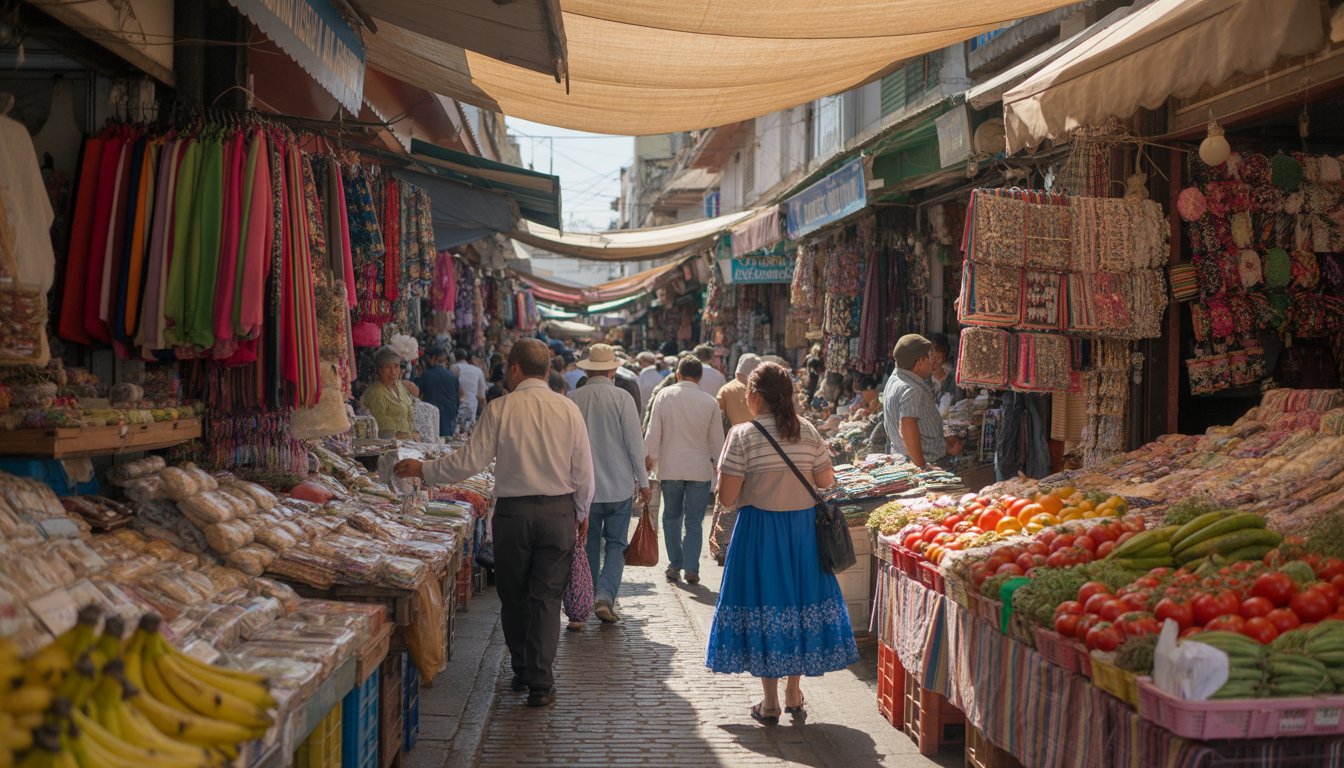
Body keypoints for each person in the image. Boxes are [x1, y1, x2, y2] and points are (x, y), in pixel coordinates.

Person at [393, 339, 595, 708]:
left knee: (514, 597)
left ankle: (521, 670)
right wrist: (581, 514)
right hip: (557, 515)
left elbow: (469, 461)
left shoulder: (501, 409)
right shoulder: (568, 409)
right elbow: (583, 472)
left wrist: (424, 470)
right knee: (546, 600)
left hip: (514, 517)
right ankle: (540, 682)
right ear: (547, 370)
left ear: (515, 369)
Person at [706, 362, 860, 724]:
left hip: (760, 532)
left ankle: (770, 701)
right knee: (799, 606)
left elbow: (728, 497)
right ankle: (793, 692)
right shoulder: (806, 430)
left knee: (765, 607)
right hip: (803, 533)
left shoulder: (743, 435)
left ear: (756, 396)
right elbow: (825, 480)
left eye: (747, 392)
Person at [569, 344, 651, 623]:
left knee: (587, 543)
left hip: (584, 489)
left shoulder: (573, 398)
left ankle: (587, 598)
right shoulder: (623, 398)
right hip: (618, 486)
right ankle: (604, 595)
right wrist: (644, 482)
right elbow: (634, 444)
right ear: (613, 369)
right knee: (616, 545)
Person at [645, 356, 725, 584]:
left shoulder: (664, 395)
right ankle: (691, 567)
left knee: (670, 517)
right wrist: (721, 470)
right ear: (699, 378)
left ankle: (675, 564)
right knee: (693, 521)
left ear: (678, 374)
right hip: (699, 469)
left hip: (670, 467)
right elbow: (717, 442)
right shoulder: (709, 402)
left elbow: (653, 432)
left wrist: (650, 459)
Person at [708, 353, 762, 563]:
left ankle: (721, 543)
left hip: (731, 448)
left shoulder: (726, 390)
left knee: (727, 501)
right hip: (759, 449)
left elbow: (716, 420)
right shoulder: (760, 391)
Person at [882, 334, 963, 469]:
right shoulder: (911, 389)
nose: (933, 363)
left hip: (905, 461)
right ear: (920, 362)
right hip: (923, 464)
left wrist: (941, 441)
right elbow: (907, 425)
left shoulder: (894, 380)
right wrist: (922, 466)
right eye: (930, 358)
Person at [362, 346, 415, 438]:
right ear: (379, 369)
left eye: (396, 366)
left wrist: (413, 434)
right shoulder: (376, 392)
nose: (393, 372)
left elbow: (409, 417)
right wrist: (406, 437)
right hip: (389, 448)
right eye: (387, 367)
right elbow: (383, 431)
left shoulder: (400, 386)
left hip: (407, 444)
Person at [415, 347, 461, 438]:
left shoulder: (426, 375)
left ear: (433, 358)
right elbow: (457, 398)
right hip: (449, 414)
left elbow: (415, 393)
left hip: (431, 414)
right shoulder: (453, 377)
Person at [715, 353, 761, 428]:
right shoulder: (768, 389)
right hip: (764, 435)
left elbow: (718, 415)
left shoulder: (727, 389)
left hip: (737, 435)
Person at [453, 349, 487, 430]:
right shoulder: (478, 371)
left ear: (454, 357)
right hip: (471, 409)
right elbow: (481, 398)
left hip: (454, 408)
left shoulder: (452, 368)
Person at [928, 332, 962, 407]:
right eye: (931, 357)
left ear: (945, 357)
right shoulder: (923, 379)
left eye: (938, 358)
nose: (934, 361)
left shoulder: (954, 380)